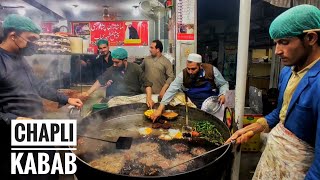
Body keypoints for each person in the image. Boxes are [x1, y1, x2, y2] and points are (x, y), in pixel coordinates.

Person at [226, 5, 320, 180]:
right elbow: (281, 112)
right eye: (276, 43)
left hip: (301, 168)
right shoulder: (287, 72)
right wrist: (255, 127)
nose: (277, 51)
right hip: (274, 156)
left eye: (284, 42)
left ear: (311, 38)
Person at [0, 14, 83, 180]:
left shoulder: (20, 59)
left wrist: (65, 99)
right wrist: (13, 119)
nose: (34, 44)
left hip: (36, 126)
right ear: (13, 36)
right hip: (14, 134)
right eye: (31, 39)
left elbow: (38, 86)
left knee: (50, 169)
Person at [151, 53, 229, 121]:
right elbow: (172, 89)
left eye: (193, 69)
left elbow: (223, 84)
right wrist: (160, 109)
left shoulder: (211, 70)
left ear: (200, 66)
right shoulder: (183, 74)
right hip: (193, 105)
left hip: (211, 104)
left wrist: (223, 94)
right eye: (188, 68)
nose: (190, 72)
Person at [84, 47, 154, 107]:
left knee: (153, 100)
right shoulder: (112, 69)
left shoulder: (135, 68)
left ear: (125, 60)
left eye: (117, 62)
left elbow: (147, 84)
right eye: (113, 62)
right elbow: (100, 81)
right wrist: (87, 93)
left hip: (135, 98)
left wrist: (149, 98)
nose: (114, 65)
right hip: (119, 99)